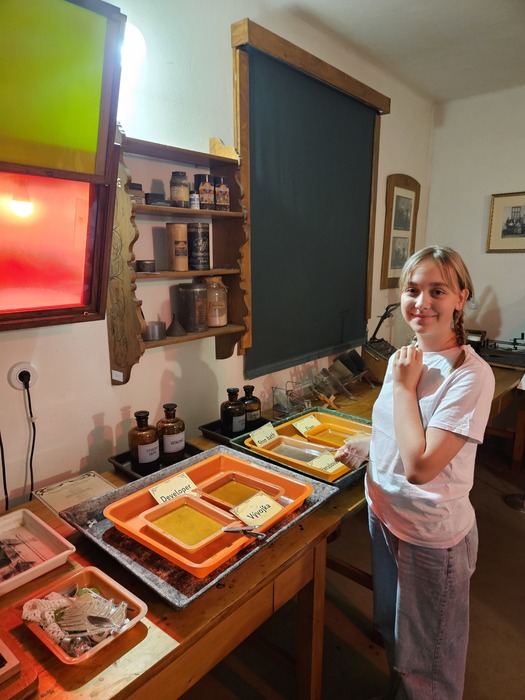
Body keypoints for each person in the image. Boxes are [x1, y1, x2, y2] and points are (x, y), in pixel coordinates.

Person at [335, 245, 495, 699]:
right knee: (393, 630)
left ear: (461, 298)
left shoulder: (470, 375)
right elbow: (405, 432)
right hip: (384, 514)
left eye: (437, 291)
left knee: (426, 663)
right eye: (412, 289)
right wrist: (372, 445)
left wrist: (405, 387)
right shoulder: (404, 358)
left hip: (429, 534)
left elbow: (422, 466)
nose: (421, 302)